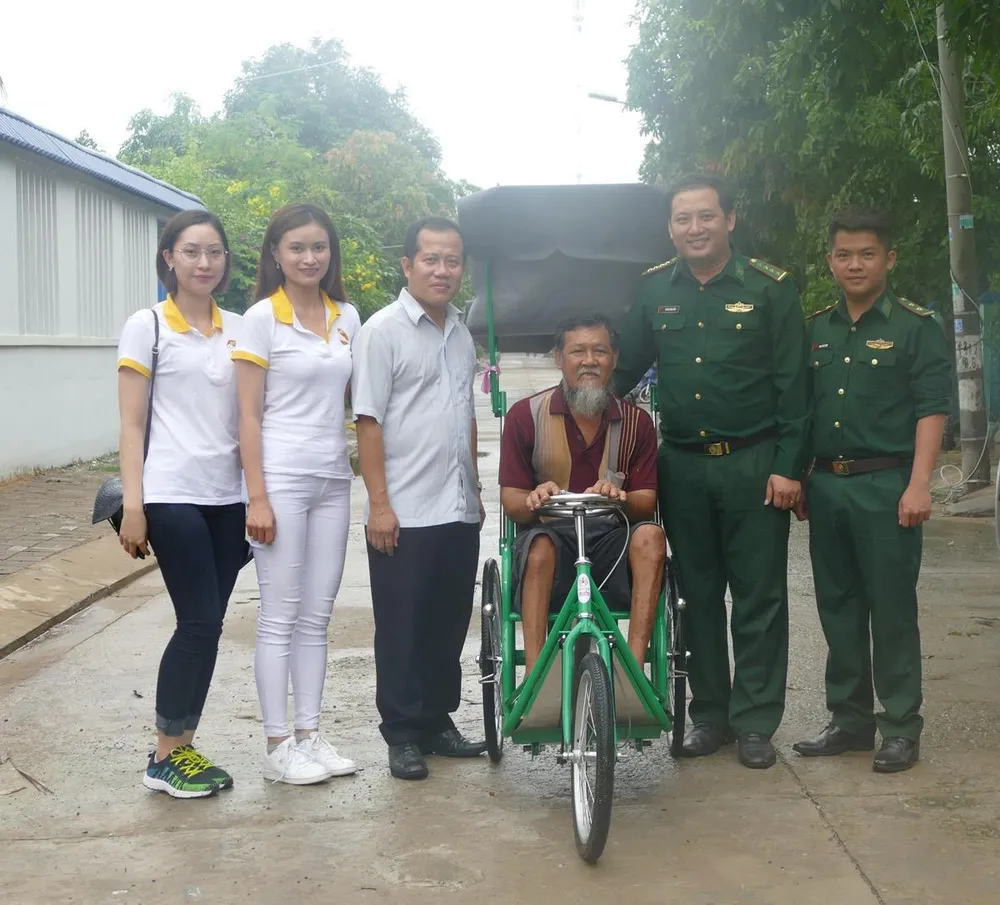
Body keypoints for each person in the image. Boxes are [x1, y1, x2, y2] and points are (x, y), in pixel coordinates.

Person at [612, 173, 809, 769]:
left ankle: (755, 722)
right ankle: (710, 716)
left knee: (758, 597)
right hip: (683, 467)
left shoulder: (770, 289)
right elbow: (624, 373)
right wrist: (574, 410)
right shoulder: (654, 290)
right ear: (670, 228)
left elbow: (794, 388)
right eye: (682, 219)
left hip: (755, 465)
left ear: (729, 219)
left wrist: (788, 467)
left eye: (705, 216)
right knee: (696, 595)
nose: (694, 228)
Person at [792, 206, 951, 773]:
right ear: (830, 261)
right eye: (844, 255)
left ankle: (901, 726)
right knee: (838, 607)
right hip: (828, 486)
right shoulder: (816, 328)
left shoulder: (915, 326)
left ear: (890, 258)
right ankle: (850, 720)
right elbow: (804, 408)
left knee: (891, 610)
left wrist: (919, 484)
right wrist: (803, 474)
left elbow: (931, 408)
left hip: (887, 486)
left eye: (866, 254)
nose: (854, 264)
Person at [352, 215, 486, 781]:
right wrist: (379, 504)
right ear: (407, 265)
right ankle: (403, 733)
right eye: (431, 259)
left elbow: (465, 414)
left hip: (457, 507)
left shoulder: (462, 332)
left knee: (448, 622)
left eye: (452, 260)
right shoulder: (382, 331)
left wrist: (475, 489)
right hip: (404, 511)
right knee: (402, 626)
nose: (442, 270)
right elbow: (368, 421)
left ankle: (437, 722)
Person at [117, 209, 246, 798]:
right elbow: (131, 423)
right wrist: (135, 505)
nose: (204, 262)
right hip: (171, 492)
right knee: (196, 622)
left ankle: (183, 746)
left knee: (210, 625)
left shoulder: (239, 328)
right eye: (191, 251)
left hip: (229, 497)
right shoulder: (146, 326)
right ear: (169, 257)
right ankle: (165, 754)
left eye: (214, 252)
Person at [233, 203, 360, 785]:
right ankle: (277, 744)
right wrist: (257, 497)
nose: (310, 258)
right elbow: (248, 416)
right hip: (280, 479)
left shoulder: (346, 316)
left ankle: (309, 735)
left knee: (317, 615)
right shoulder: (260, 319)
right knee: (279, 615)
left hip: (333, 479)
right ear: (276, 254)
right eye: (297, 248)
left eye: (319, 247)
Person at [499, 314, 663, 675]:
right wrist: (534, 498)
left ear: (614, 358)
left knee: (652, 537)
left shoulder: (637, 423)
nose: (589, 361)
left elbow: (647, 502)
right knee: (539, 546)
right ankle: (537, 676)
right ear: (559, 359)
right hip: (550, 540)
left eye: (599, 351)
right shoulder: (525, 416)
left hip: (611, 543)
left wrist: (618, 497)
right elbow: (511, 501)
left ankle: (634, 673)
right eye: (578, 352)